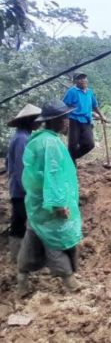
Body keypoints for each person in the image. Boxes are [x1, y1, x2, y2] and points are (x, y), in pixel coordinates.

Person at [17, 100, 83, 293]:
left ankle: (22, 280)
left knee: (33, 238)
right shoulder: (51, 143)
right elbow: (53, 175)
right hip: (50, 205)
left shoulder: (37, 140)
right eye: (65, 118)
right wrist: (58, 204)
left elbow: (33, 174)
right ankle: (70, 281)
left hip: (36, 203)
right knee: (57, 241)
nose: (68, 122)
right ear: (56, 120)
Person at [5, 104, 42, 263]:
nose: (40, 122)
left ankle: (15, 258)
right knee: (36, 224)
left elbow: (8, 163)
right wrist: (30, 191)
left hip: (16, 190)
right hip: (22, 191)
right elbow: (22, 170)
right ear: (29, 121)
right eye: (37, 120)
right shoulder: (23, 139)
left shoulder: (20, 136)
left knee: (18, 224)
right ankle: (31, 260)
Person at [62, 73, 106, 163]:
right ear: (75, 81)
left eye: (84, 78)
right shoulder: (72, 92)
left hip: (86, 120)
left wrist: (102, 116)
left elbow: (95, 106)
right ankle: (71, 164)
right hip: (73, 120)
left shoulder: (89, 92)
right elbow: (64, 106)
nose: (83, 80)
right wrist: (65, 121)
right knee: (73, 145)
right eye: (79, 79)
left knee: (90, 144)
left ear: (87, 80)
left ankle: (70, 158)